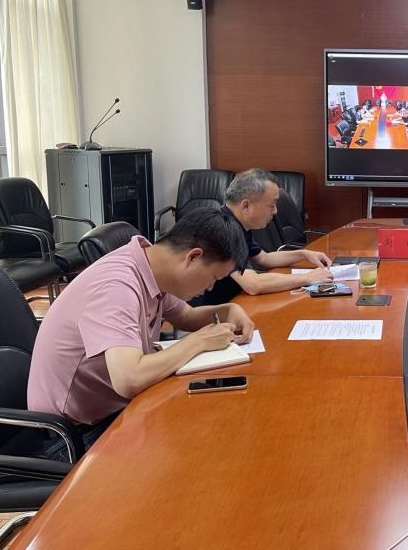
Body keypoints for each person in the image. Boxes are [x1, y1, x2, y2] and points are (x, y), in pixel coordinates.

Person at [27, 208, 255, 454]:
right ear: (192, 257)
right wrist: (199, 341)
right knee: (200, 449)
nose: (210, 287)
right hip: (70, 436)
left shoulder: (151, 266)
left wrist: (228, 310)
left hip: (112, 410)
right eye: (214, 278)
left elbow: (186, 316)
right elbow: (129, 379)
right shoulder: (117, 286)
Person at [190, 168, 333, 306]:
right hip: (209, 313)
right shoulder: (223, 230)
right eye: (272, 205)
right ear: (246, 206)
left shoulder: (234, 222)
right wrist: (307, 278)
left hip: (232, 303)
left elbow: (264, 258)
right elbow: (253, 285)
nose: (275, 211)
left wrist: (303, 254)